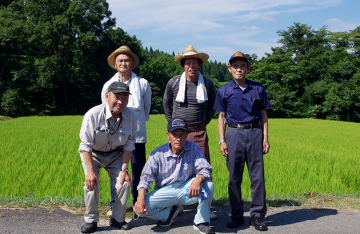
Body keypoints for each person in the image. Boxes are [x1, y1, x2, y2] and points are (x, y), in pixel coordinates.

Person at [213, 52, 271, 231]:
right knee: (234, 178)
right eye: (235, 66)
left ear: (248, 68)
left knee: (257, 177)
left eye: (242, 66)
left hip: (254, 133)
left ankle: (257, 215)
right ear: (229, 69)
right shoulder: (224, 90)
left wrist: (265, 138)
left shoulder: (258, 88)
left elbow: (263, 114)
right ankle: (237, 215)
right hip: (233, 134)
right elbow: (221, 117)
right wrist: (222, 141)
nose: (239, 69)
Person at [134, 117, 215, 234]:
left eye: (182, 134)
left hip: (185, 189)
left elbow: (206, 168)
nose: (178, 138)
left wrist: (198, 179)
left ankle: (201, 222)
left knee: (209, 185)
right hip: (165, 191)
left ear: (187, 135)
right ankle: (170, 212)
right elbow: (145, 178)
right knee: (140, 211)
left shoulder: (193, 148)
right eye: (174, 134)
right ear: (168, 136)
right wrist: (140, 199)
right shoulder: (158, 153)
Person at [79, 81, 137, 233]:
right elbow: (86, 146)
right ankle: (91, 220)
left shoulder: (131, 117)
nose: (120, 101)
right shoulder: (93, 115)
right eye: (116, 97)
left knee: (123, 183)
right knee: (91, 183)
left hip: (116, 154)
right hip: (94, 154)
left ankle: (117, 219)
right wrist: (90, 172)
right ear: (107, 96)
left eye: (125, 98)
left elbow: (129, 145)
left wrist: (124, 169)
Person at [101, 46, 151, 215]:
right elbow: (105, 109)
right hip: (115, 136)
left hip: (137, 135)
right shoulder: (108, 85)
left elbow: (146, 109)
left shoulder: (142, 84)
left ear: (132, 64)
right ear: (115, 64)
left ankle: (139, 202)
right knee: (117, 170)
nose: (124, 63)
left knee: (138, 170)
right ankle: (115, 203)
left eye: (127, 60)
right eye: (120, 60)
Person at [163, 45, 216, 164]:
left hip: (199, 131)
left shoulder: (207, 84)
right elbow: (166, 103)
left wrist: (202, 122)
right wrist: (172, 122)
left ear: (199, 65)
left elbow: (213, 106)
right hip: (177, 131)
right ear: (183, 66)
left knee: (201, 165)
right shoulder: (173, 82)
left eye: (194, 63)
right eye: (188, 63)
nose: (191, 66)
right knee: (177, 164)